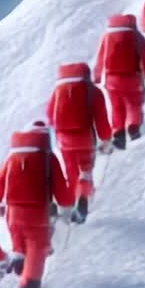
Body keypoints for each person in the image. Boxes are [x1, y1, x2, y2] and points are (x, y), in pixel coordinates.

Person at [0, 124, 74, 288]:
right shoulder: (48, 158)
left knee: (18, 239)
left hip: (12, 212)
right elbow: (60, 186)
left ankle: (18, 257)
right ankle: (31, 282)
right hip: (37, 213)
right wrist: (66, 205)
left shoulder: (12, 157)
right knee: (37, 246)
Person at [45, 62, 112, 222]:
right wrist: (106, 139)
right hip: (85, 138)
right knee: (85, 171)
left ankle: (70, 201)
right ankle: (83, 198)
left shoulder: (58, 91)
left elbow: (49, 115)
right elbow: (101, 118)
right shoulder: (92, 91)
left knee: (71, 171)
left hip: (64, 140)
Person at [92, 13, 145, 148]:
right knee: (134, 104)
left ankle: (118, 133)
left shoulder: (107, 37)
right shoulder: (136, 36)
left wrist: (97, 76)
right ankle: (133, 126)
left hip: (111, 80)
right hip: (132, 78)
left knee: (117, 107)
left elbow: (100, 58)